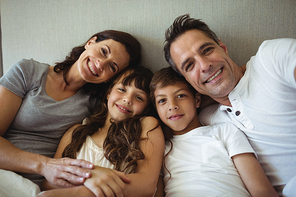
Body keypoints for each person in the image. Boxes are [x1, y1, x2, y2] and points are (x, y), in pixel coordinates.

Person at [163, 14, 296, 196]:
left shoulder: (270, 59)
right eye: (189, 65)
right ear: (186, 80)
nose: (204, 65)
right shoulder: (207, 118)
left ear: (223, 47)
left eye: (207, 50)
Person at [0, 29, 142, 195]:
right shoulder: (28, 71)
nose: (100, 64)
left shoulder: (97, 106)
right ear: (90, 42)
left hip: (39, 189)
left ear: (110, 79)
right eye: (103, 51)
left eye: (112, 67)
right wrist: (45, 165)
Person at [150, 67, 278, 197]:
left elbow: (261, 190)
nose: (172, 105)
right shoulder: (159, 150)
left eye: (181, 96)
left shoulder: (224, 131)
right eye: (162, 101)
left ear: (197, 100)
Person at [38, 66, 165, 197]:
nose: (127, 99)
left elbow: (147, 184)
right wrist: (88, 177)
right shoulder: (76, 132)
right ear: (109, 92)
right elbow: (49, 183)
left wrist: (85, 189)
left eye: (139, 98)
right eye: (122, 89)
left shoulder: (147, 125)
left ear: (145, 108)